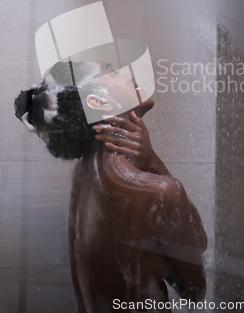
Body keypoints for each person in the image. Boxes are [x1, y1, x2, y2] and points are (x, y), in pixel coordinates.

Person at [15, 60, 207, 312]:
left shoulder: (84, 173)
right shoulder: (156, 191)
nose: (129, 74)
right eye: (114, 72)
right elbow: (194, 289)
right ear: (99, 103)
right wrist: (154, 163)